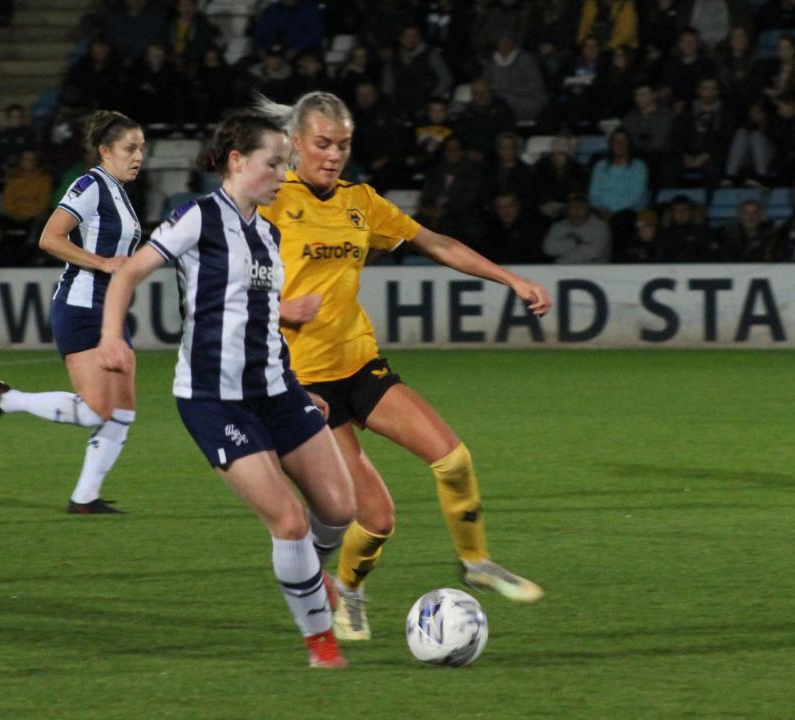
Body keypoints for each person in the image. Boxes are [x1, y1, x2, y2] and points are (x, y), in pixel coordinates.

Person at [258, 91, 552, 642]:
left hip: (359, 363)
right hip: (302, 384)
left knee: (454, 460)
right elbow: (222, 288)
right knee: (377, 519)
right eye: (322, 143)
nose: (334, 154)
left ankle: (476, 563)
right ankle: (348, 593)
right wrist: (277, 310)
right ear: (295, 143)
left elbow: (435, 242)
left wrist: (511, 279)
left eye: (343, 145)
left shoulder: (360, 201)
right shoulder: (269, 202)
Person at [97, 110, 355, 669]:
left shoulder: (268, 233)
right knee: (288, 519)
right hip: (214, 399)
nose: (284, 175)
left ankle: (307, 572)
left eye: (287, 164)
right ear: (236, 161)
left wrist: (297, 387)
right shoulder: (197, 217)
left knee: (338, 507)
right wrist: (112, 338)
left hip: (276, 387)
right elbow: (126, 274)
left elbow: (259, 319)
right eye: (273, 164)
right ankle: (321, 644)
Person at [0, 110, 146, 515]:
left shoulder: (120, 193)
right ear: (105, 151)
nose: (138, 156)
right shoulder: (91, 185)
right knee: (98, 408)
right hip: (81, 308)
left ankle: (84, 498)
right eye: (130, 148)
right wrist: (101, 263)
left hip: (109, 312)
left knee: (124, 408)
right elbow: (50, 237)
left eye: (142, 149)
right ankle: (8, 400)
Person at [542, 191, 612, 263]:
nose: (576, 211)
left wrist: (561, 262)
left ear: (588, 209)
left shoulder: (600, 226)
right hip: (564, 271)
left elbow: (593, 252)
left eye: (581, 207)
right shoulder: (558, 226)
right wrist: (574, 242)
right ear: (567, 210)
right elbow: (548, 248)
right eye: (572, 208)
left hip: (596, 271)